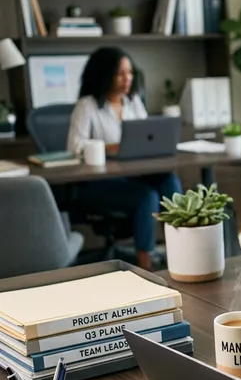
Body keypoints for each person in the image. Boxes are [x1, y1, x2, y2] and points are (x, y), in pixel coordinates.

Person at [66, 47, 182, 270]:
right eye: (120, 73)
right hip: (99, 183)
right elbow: (75, 148)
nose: (127, 78)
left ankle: (180, 248)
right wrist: (112, 148)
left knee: (170, 182)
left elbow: (148, 136)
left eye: (129, 73)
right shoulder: (87, 106)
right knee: (146, 196)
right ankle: (145, 263)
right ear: (104, 74)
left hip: (134, 176)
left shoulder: (133, 102)